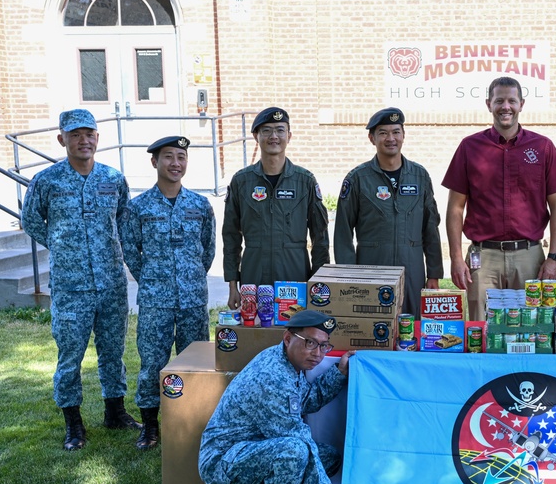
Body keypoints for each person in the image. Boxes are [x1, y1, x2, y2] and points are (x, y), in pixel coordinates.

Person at [21, 108, 141, 450]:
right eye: (75, 135)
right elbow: (31, 221)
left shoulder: (113, 179)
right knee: (70, 356)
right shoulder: (47, 181)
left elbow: (123, 220)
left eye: (89, 134)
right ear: (62, 140)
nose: (83, 140)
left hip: (111, 282)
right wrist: (62, 245)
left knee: (112, 351)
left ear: (97, 139)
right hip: (71, 286)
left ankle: (114, 412)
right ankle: (73, 424)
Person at [199, 310, 353, 484]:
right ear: (288, 338)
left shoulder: (288, 362)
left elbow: (307, 400)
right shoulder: (272, 378)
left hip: (254, 447)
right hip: (223, 460)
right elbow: (300, 443)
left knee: (329, 458)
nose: (318, 354)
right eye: (310, 343)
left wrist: (339, 372)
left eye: (324, 346)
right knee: (296, 451)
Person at [443, 77, 556, 320]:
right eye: (499, 100)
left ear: (521, 104)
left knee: (531, 328)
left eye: (512, 100)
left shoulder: (543, 147)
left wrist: (554, 257)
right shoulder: (469, 147)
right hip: (484, 259)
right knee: (481, 330)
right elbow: (455, 209)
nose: (506, 106)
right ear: (488, 104)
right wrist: (456, 258)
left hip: (529, 257)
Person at [122, 136, 216, 451]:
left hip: (192, 300)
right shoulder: (138, 207)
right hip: (155, 302)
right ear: (154, 162)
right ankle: (150, 426)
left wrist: (190, 277)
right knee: (152, 364)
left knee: (196, 364)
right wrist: (152, 279)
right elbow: (131, 251)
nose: (176, 163)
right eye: (168, 157)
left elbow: (208, 250)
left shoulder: (200, 205)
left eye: (181, 157)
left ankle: (193, 422)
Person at [333, 107, 443, 317]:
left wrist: (434, 273)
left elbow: (430, 227)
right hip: (370, 270)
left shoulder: (419, 176)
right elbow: (343, 231)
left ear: (403, 135)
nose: (390, 138)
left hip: (412, 269)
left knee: (411, 327)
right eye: (383, 133)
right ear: (372, 138)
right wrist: (349, 276)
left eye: (396, 132)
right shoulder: (357, 179)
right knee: (371, 325)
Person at [223, 107, 329, 309]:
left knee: (295, 333)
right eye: (266, 131)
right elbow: (230, 236)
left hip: (295, 274)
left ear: (289, 136)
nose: (274, 136)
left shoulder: (304, 180)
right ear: (256, 136)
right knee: (254, 332)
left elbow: (320, 236)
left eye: (280, 130)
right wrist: (232, 285)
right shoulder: (242, 181)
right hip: (253, 276)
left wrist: (319, 283)